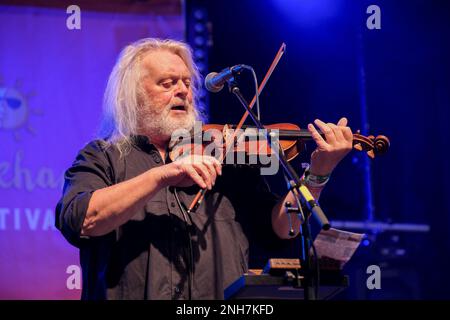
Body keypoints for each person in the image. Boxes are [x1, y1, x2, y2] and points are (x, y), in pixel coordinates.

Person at [55, 38, 353, 300]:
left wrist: (318, 174)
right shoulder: (103, 156)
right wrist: (163, 175)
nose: (183, 91)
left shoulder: (225, 157)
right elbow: (82, 219)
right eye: (167, 83)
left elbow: (281, 228)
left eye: (187, 83)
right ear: (133, 96)